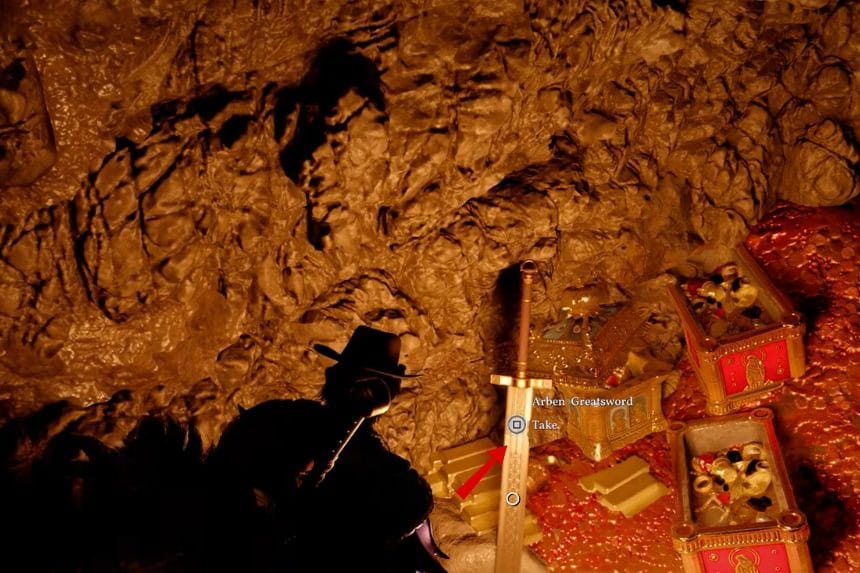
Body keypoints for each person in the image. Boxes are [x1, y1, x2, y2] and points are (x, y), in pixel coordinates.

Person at [206, 326, 447, 572]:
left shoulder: (366, 448)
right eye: (364, 384)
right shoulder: (282, 421)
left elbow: (413, 499)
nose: (364, 393)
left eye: (375, 387)